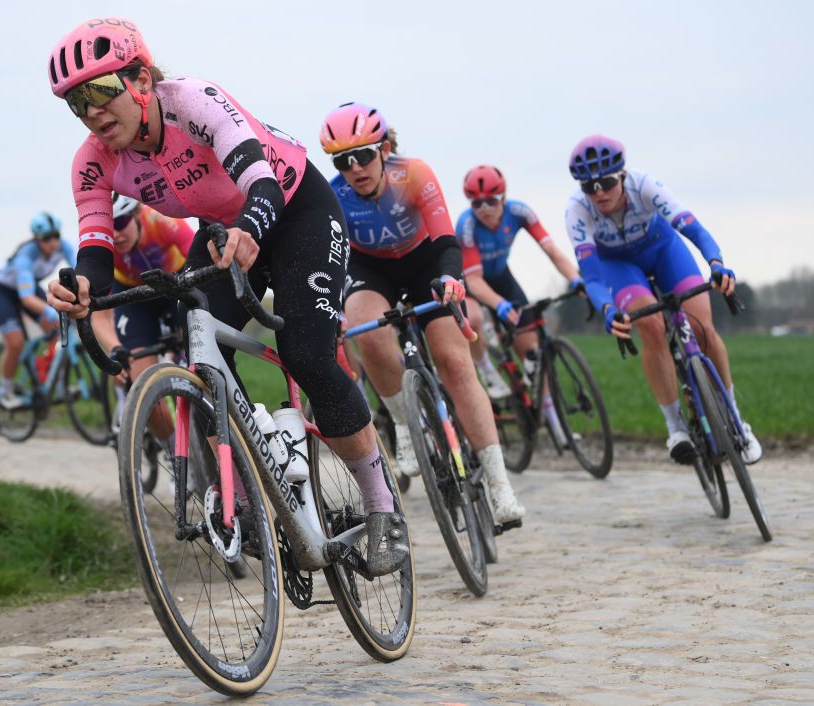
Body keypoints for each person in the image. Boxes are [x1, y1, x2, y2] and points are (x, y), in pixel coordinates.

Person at [44, 18, 407, 575]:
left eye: (100, 91)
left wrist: (251, 231)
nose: (91, 111)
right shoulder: (93, 161)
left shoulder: (192, 101)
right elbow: (93, 243)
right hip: (221, 231)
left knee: (308, 353)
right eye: (76, 103)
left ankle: (383, 509)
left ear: (141, 79)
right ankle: (257, 467)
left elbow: (259, 180)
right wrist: (82, 286)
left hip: (292, 211)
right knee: (202, 357)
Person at [320, 102, 525, 526]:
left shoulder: (413, 174)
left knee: (454, 361)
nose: (354, 167)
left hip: (426, 263)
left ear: (383, 149)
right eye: (342, 160)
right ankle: (403, 427)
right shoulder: (334, 195)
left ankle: (500, 484)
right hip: (371, 269)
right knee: (367, 331)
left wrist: (451, 279)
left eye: (362, 155)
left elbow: (446, 239)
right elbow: (332, 260)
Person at [564, 135, 762, 464]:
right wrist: (608, 308)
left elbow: (695, 230)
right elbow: (593, 276)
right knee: (650, 325)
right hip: (620, 266)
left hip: (663, 250)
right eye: (589, 187)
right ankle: (676, 428)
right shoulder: (576, 211)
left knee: (702, 327)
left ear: (622, 176)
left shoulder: (646, 186)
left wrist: (715, 264)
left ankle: (738, 421)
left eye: (606, 182)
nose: (598, 192)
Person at [456, 165, 582, 445]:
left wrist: (576, 279)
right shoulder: (467, 225)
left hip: (501, 277)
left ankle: (553, 421)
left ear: (505, 197)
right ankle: (487, 370)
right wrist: (499, 305)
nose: (485, 208)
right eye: (477, 203)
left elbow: (551, 250)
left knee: (532, 348)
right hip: (471, 282)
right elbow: (474, 280)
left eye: (492, 200)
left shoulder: (520, 212)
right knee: (473, 320)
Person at [90, 194, 195, 443]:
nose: (114, 234)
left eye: (120, 222)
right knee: (143, 388)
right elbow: (100, 317)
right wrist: (115, 350)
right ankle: (176, 460)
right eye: (108, 227)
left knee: (199, 365)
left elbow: (202, 269)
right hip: (135, 299)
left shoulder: (164, 222)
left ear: (138, 214)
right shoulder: (102, 249)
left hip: (176, 285)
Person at [0, 212, 76, 409]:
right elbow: (26, 298)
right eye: (47, 238)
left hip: (26, 286)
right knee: (16, 342)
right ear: (37, 239)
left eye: (56, 236)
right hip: (2, 291)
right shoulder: (26, 256)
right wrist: (51, 310)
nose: (53, 243)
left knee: (57, 329)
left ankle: (55, 381)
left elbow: (81, 269)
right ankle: (5, 392)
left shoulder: (64, 246)